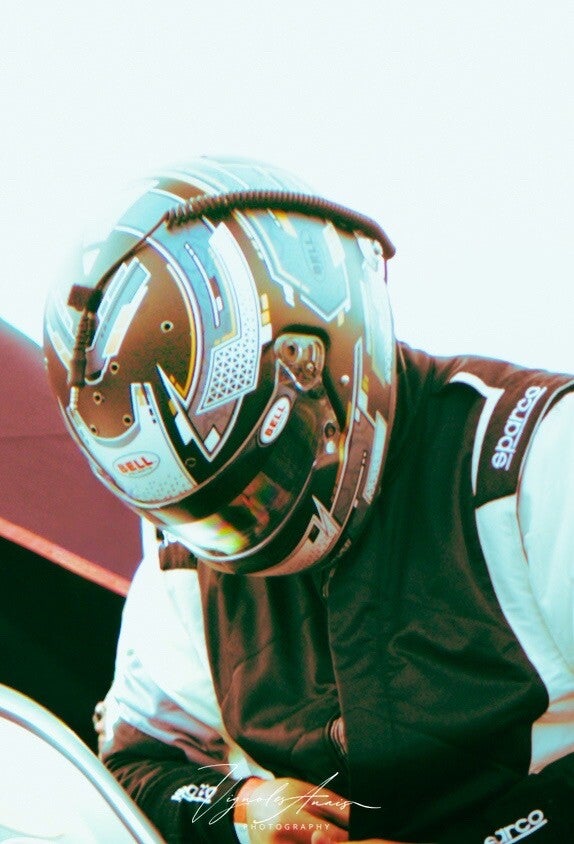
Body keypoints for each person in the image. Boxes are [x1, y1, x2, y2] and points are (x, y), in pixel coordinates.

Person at [43, 155, 574, 844]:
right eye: (208, 514)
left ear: (326, 360)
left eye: (263, 472)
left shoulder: (533, 459)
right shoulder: (185, 560)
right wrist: (241, 809)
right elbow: (136, 767)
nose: (248, 521)